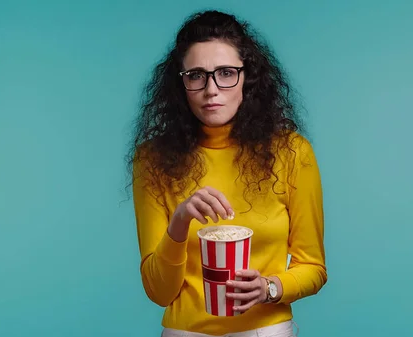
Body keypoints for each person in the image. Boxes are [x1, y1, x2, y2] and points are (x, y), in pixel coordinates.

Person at [127, 9, 327, 337]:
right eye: (196, 75)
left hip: (266, 330)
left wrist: (270, 287)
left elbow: (314, 268)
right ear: (181, 83)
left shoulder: (292, 152)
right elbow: (158, 292)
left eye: (226, 72)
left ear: (248, 77)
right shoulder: (152, 158)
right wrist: (179, 223)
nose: (211, 89)